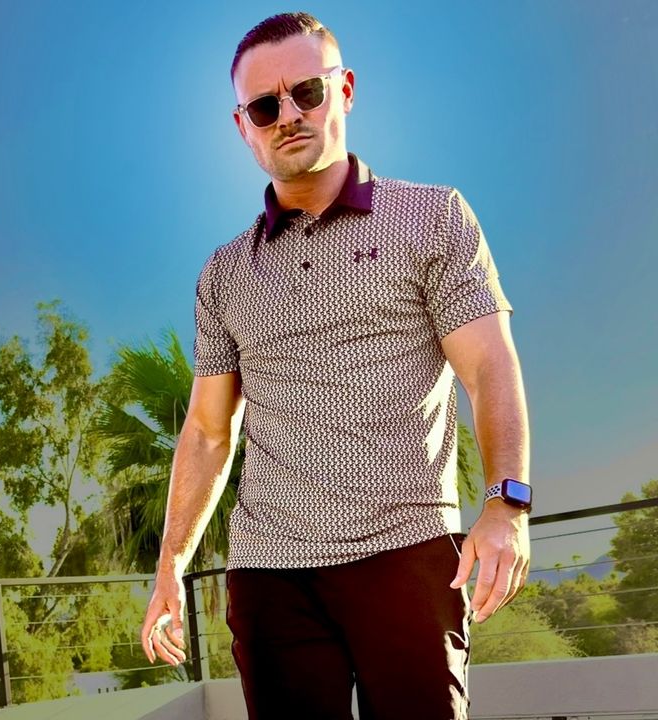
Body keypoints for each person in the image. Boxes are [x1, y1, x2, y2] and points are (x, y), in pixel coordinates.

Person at [141, 12, 531, 720]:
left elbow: (489, 368)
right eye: (265, 107)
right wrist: (170, 564)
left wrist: (506, 504)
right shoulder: (223, 273)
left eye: (307, 92)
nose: (288, 116)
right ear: (243, 127)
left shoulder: (433, 217)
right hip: (269, 572)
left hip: (407, 549)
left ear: (343, 90)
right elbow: (206, 433)